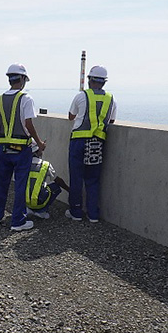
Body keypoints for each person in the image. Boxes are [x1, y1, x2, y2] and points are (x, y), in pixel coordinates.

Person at [0, 63, 46, 231]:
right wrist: (40, 143)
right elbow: (28, 123)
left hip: (3, 148)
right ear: (22, 79)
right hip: (22, 149)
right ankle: (18, 221)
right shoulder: (26, 98)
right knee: (20, 185)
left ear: (9, 78)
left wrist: (3, 141)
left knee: (0, 182)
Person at [66, 65, 117, 223]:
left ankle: (76, 212)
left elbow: (71, 116)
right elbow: (112, 120)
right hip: (97, 142)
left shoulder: (81, 96)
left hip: (79, 141)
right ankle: (93, 214)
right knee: (93, 179)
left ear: (89, 79)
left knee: (76, 177)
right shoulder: (111, 99)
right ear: (104, 82)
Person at [26, 144, 70, 219]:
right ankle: (41, 211)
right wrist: (69, 190)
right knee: (55, 187)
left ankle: (27, 209)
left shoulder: (23, 164)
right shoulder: (45, 165)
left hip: (25, 200)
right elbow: (58, 180)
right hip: (39, 202)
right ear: (38, 152)